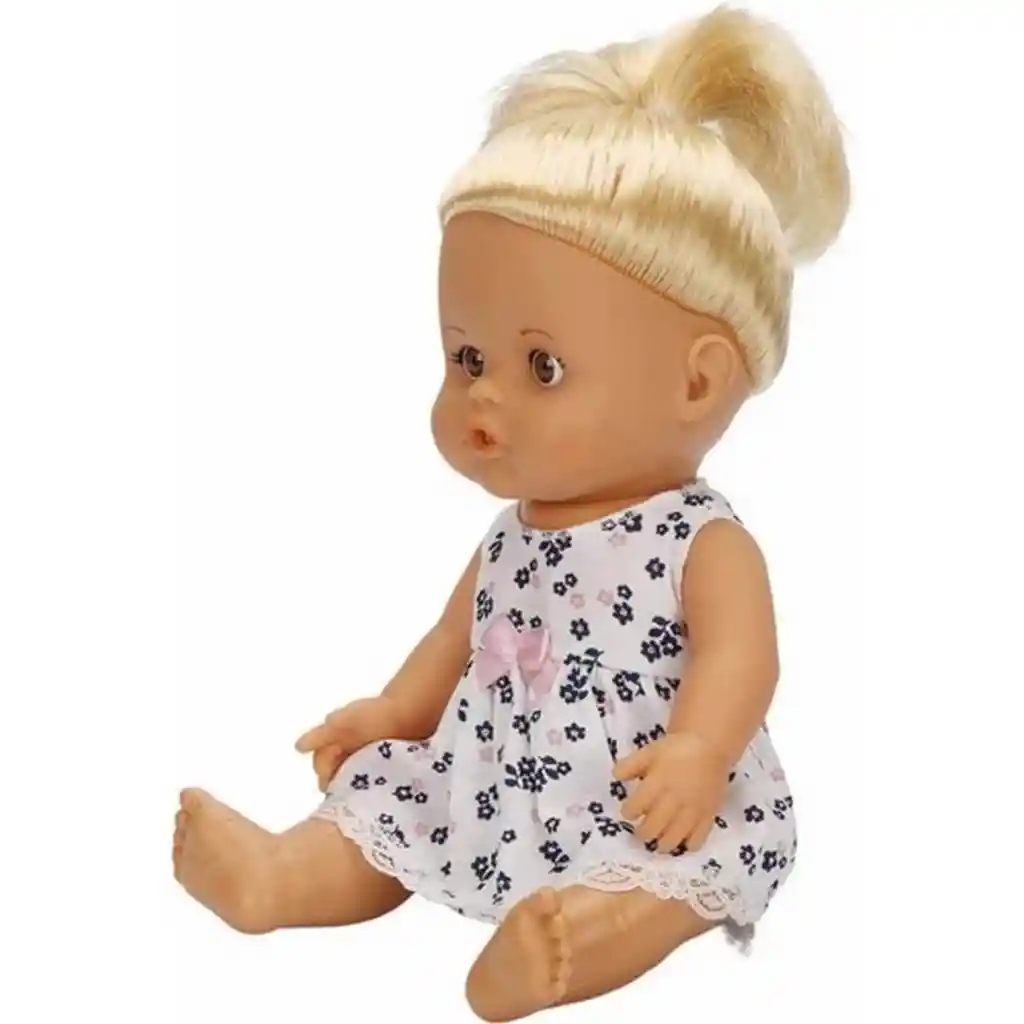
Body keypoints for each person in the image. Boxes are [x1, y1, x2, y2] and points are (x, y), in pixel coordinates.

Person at [174, 6, 849, 1019]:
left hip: (645, 795)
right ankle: (280, 876)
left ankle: (565, 948)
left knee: (669, 876)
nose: (482, 398)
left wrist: (701, 754)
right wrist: (396, 714)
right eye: (466, 357)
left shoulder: (700, 543)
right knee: (390, 800)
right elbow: (453, 639)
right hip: (485, 777)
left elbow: (743, 659)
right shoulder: (511, 536)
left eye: (543, 367)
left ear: (698, 382)